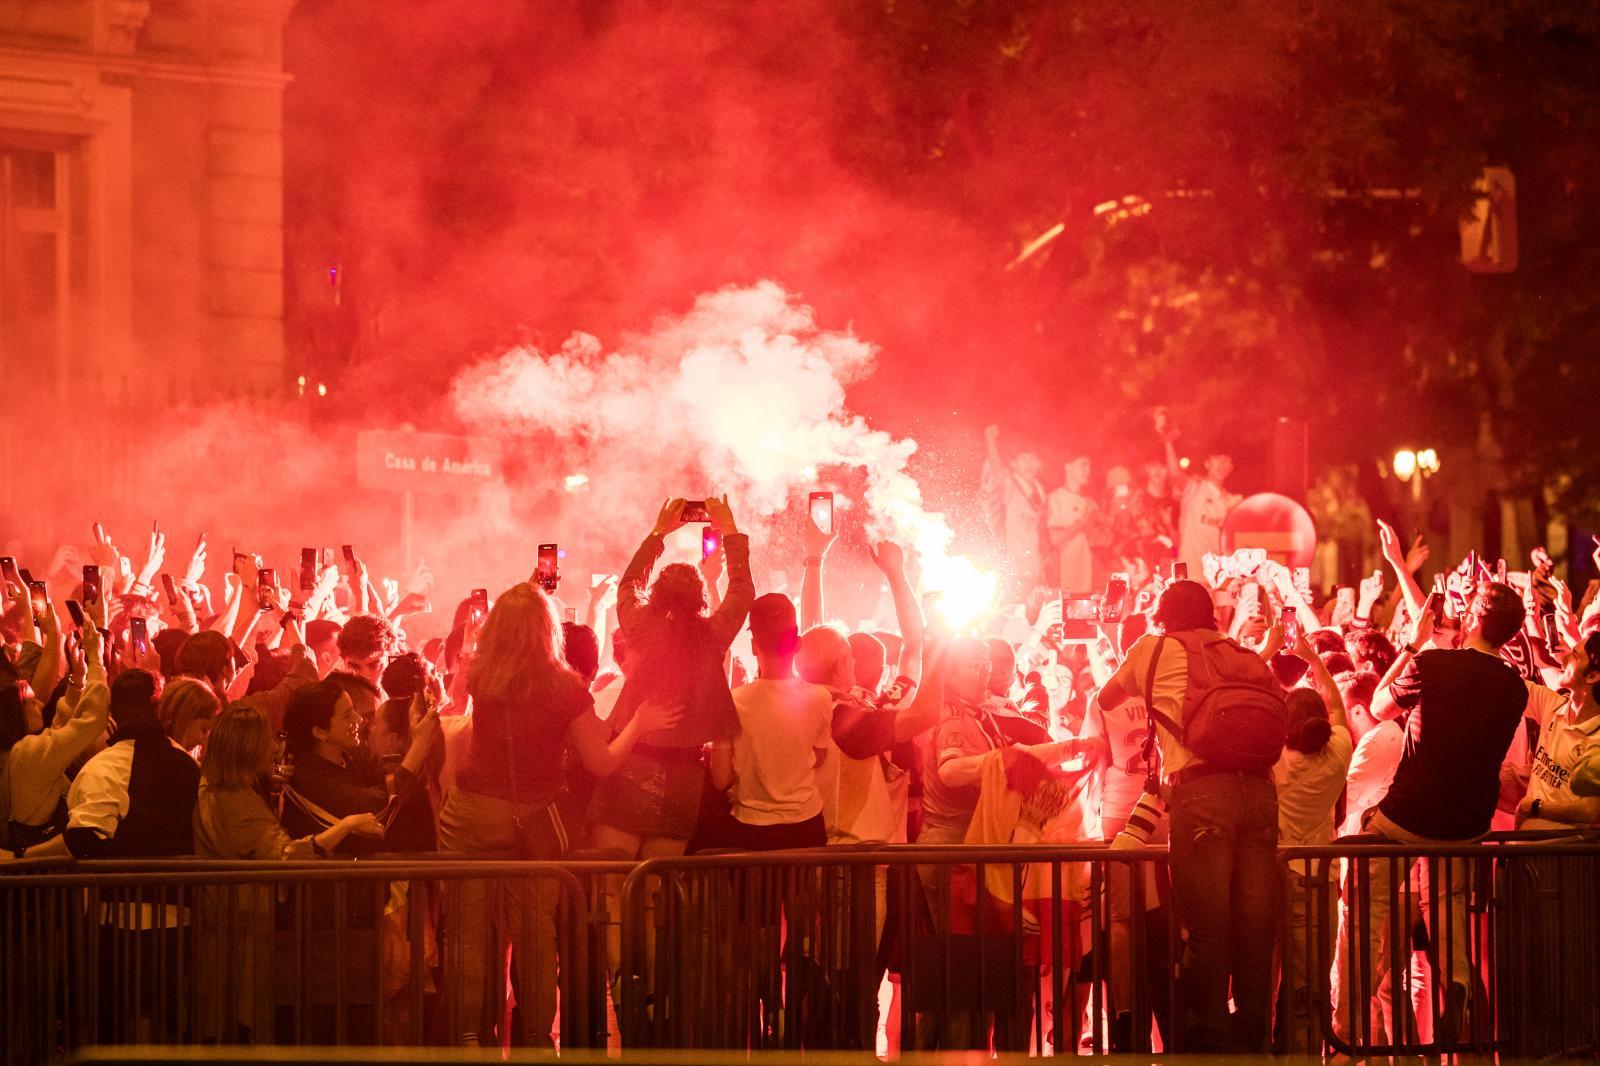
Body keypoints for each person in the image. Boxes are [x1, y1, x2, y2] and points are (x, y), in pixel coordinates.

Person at [436, 580, 679, 1047]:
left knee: (467, 938)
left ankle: (467, 1039)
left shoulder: (480, 675)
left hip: (470, 817)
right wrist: (638, 725)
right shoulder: (565, 689)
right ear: (549, 631)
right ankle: (533, 1039)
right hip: (534, 824)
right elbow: (601, 762)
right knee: (535, 939)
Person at [1336, 582, 1528, 1048]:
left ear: (1474, 619)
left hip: (1410, 812)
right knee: (1446, 912)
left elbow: (1380, 707)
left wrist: (1410, 645)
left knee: (1364, 913)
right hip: (1467, 823)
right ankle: (1457, 981)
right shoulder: (1514, 686)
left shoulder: (1431, 663)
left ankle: (1348, 1028)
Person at [1094, 579, 1280, 1053]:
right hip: (1260, 793)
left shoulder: (1152, 650)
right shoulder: (1240, 652)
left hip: (1200, 797)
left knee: (1208, 929)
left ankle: (1210, 1046)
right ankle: (1253, 1044)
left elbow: (1106, 698)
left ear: (1162, 615)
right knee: (1256, 929)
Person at [192, 704, 383, 1042]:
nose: (274, 748)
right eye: (267, 742)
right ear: (248, 748)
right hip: (243, 927)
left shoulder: (213, 787)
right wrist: (348, 825)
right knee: (242, 1022)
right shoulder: (237, 802)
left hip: (224, 921)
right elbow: (287, 853)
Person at [588, 495, 751, 861]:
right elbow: (741, 593)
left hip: (630, 770)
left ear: (657, 596)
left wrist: (659, 533)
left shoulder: (642, 625)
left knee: (612, 887)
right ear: (699, 601)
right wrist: (730, 531)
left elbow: (629, 583)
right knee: (654, 894)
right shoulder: (712, 635)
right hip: (682, 781)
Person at [1272, 634, 1353, 1051]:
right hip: (1323, 880)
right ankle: (1307, 1052)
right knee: (1313, 978)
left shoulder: (1276, 761)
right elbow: (1338, 707)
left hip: (1281, 879)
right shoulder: (1339, 752)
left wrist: (1273, 655)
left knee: (1277, 977)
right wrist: (1314, 663)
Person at [710, 595, 833, 850]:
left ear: (754, 646)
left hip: (749, 831)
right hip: (804, 829)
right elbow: (820, 757)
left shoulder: (732, 702)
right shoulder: (820, 698)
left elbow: (720, 780)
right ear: (797, 644)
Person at [2, 623, 109, 853]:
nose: (40, 704)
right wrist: (96, 662)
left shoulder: (16, 753)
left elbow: (60, 730)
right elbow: (89, 722)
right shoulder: (28, 754)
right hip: (41, 877)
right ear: (14, 714)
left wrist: (77, 680)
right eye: (30, 701)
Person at [1514, 630, 1600, 829]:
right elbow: (1504, 684)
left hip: (1560, 855)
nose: (1564, 658)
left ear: (1593, 675)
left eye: (1575, 655)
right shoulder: (1553, 705)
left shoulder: (1596, 739)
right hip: (1524, 849)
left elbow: (1590, 809)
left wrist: (1534, 807)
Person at [982, 426, 1048, 594]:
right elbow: (996, 471)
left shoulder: (1038, 489)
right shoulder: (1010, 482)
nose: (1029, 464)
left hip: (1034, 562)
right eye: (1024, 459)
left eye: (1033, 459)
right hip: (1012, 562)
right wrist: (991, 442)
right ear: (1013, 463)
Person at [1048, 456, 1097, 594]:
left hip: (1087, 582)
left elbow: (1094, 541)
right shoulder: (1056, 498)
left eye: (1089, 466)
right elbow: (1054, 539)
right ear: (1068, 467)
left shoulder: (1089, 502)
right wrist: (1082, 522)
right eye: (1083, 465)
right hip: (1064, 584)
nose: (1088, 471)